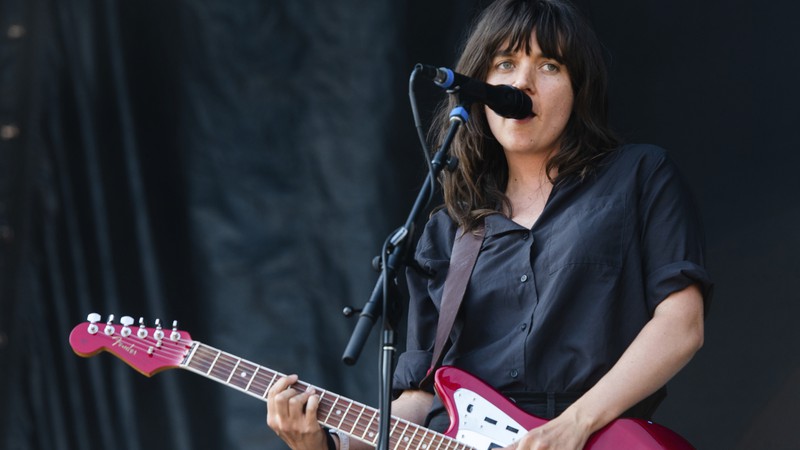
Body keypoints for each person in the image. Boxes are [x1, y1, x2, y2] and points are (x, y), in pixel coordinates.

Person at [266, 0, 712, 449]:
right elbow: (421, 400)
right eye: (505, 63)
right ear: (478, 89)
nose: (521, 82)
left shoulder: (639, 176)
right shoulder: (447, 232)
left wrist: (575, 423)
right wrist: (325, 445)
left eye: (549, 66)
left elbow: (682, 323)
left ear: (579, 87)